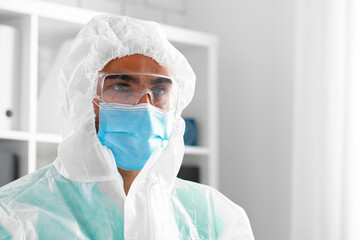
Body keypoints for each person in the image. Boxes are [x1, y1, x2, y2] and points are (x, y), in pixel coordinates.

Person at [0, 15, 254, 239]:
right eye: (121, 87)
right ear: (82, 98)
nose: (145, 105)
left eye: (159, 90)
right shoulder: (16, 216)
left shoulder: (215, 218)